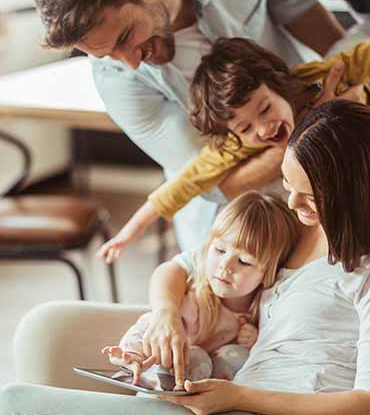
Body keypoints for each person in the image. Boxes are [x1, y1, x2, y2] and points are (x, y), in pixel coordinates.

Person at [1, 100, 370, 415]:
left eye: (308, 195)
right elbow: (178, 269)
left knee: (15, 402)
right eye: (289, 187)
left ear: (352, 192)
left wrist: (240, 396)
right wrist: (166, 317)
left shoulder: (364, 272)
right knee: (17, 398)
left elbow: (365, 401)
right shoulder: (286, 230)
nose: (292, 203)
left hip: (247, 404)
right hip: (225, 401)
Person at [34, 0, 346, 251]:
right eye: (106, 55)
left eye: (126, 36)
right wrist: (313, 127)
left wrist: (347, 101)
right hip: (242, 224)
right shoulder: (117, 83)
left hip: (333, 169)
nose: (130, 62)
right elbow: (214, 182)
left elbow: (333, 43)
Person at [96, 38, 370, 264]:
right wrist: (128, 233)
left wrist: (358, 97)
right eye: (246, 127)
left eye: (265, 109)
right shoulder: (237, 146)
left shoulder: (317, 77)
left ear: (277, 84)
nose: (264, 129)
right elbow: (181, 186)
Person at [101, 191, 299, 385]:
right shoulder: (195, 302)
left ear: (267, 273)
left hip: (213, 393)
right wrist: (132, 355)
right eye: (220, 250)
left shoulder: (264, 309)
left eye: (244, 261)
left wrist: (255, 342)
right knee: (196, 356)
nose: (225, 266)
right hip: (164, 376)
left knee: (238, 355)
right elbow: (152, 325)